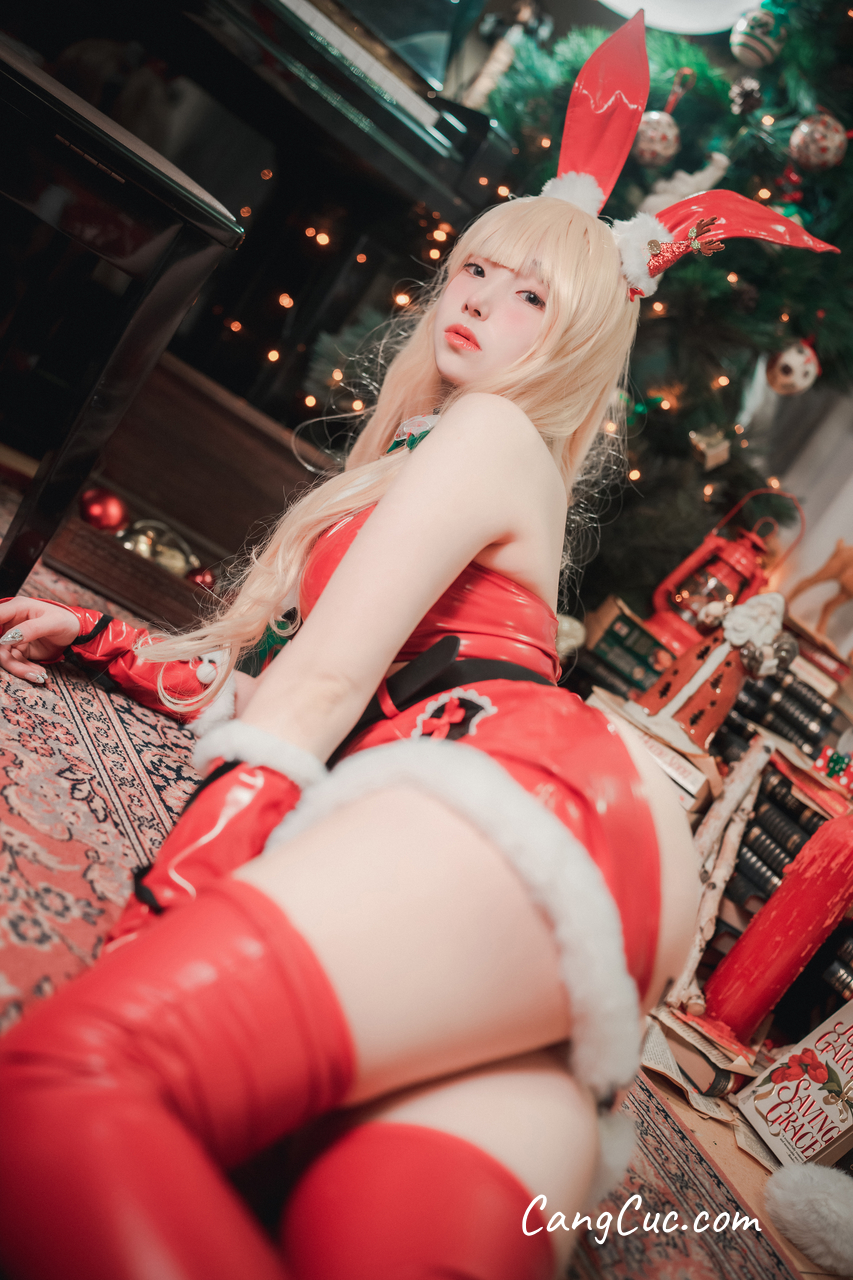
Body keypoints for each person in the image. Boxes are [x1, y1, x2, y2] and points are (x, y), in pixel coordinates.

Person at [0, 16, 835, 1280]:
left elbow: (325, 686)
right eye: (473, 271)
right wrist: (106, 635)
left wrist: (157, 927)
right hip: (581, 856)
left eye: (530, 295)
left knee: (60, 1090)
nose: (481, 301)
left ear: (575, 339)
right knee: (346, 1218)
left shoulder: (489, 435)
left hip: (517, 798)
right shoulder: (446, 450)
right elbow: (296, 685)